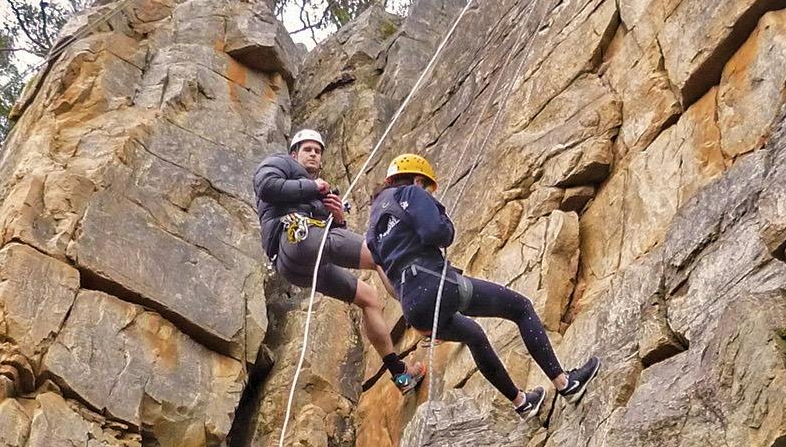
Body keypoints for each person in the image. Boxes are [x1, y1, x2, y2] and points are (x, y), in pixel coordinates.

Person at [365, 153, 599, 418]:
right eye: (427, 187)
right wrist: (443, 222)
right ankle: (566, 384)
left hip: (412, 306)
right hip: (434, 283)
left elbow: (388, 282)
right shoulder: (411, 193)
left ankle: (522, 403)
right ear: (418, 179)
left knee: (474, 335)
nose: (427, 192)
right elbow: (437, 233)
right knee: (520, 308)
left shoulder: (372, 226)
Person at [255, 129, 422, 393]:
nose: (312, 154)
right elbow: (266, 186)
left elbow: (336, 238)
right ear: (293, 154)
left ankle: (400, 375)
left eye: (317, 151)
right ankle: (420, 305)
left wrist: (337, 217)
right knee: (380, 253)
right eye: (307, 149)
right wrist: (313, 187)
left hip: (297, 262)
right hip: (297, 236)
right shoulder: (279, 163)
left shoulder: (319, 194)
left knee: (368, 297)